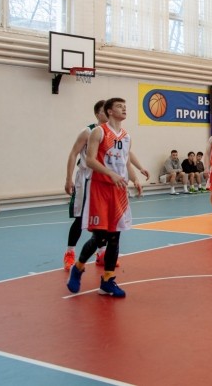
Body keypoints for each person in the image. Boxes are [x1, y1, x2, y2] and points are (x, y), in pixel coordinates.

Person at [67, 97, 144, 298]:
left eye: (125, 106)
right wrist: (110, 174)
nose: (124, 109)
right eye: (119, 106)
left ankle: (108, 281)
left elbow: (125, 162)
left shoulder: (127, 136)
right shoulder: (98, 132)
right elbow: (90, 160)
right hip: (100, 188)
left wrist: (135, 179)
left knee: (115, 237)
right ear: (109, 111)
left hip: (119, 191)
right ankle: (78, 268)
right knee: (100, 236)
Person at [63, 100, 107, 271]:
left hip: (102, 180)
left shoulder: (111, 133)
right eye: (104, 111)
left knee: (101, 219)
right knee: (80, 218)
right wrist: (68, 179)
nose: (108, 113)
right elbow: (73, 153)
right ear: (97, 114)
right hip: (85, 178)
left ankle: (102, 253)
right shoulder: (88, 131)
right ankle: (69, 253)